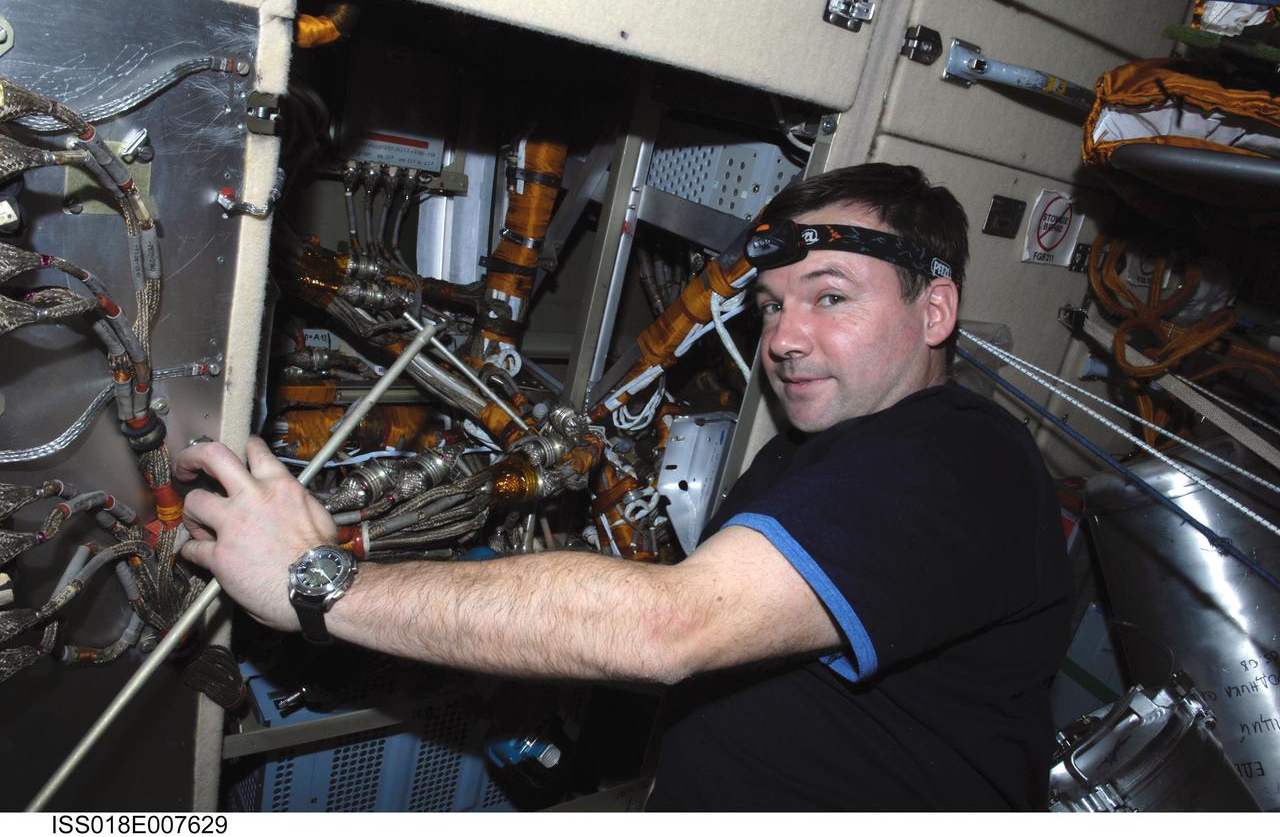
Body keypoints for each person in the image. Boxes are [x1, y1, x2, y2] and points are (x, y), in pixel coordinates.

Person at [177, 163, 1072, 811]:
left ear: (934, 311)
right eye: (771, 306)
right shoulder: (808, 455)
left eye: (829, 297)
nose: (783, 338)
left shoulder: (959, 459)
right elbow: (733, 659)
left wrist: (316, 581)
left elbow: (669, 628)